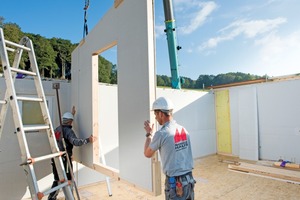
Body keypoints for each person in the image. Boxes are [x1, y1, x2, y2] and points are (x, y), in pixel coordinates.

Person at [144, 97, 196, 200]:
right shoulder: (183, 129)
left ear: (161, 114)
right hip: (189, 180)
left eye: (155, 114)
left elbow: (147, 154)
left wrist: (149, 134)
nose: (156, 118)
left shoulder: (162, 134)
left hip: (175, 184)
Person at [48, 106, 95, 200]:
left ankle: (51, 198)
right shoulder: (69, 131)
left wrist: (72, 114)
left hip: (55, 158)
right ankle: (69, 198)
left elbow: (66, 125)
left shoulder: (57, 129)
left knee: (57, 179)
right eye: (71, 121)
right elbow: (75, 142)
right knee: (69, 180)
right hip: (65, 159)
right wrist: (88, 140)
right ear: (70, 122)